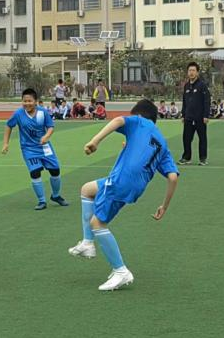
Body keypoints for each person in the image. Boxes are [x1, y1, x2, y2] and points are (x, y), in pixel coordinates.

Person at [68, 99, 179, 291]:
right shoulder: (162, 142)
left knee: (97, 223)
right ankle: (87, 243)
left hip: (122, 181)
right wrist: (164, 206)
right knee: (87, 190)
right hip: (134, 186)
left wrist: (95, 141)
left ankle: (120, 271)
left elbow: (118, 120)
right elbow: (172, 177)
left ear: (139, 115)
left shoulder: (139, 121)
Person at [2, 88, 69, 210]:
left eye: (30, 101)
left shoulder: (43, 112)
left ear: (36, 101)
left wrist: (47, 136)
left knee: (55, 170)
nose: (27, 103)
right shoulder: (18, 114)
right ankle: (42, 201)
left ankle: (56, 195)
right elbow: (8, 125)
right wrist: (5, 143)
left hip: (45, 147)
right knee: (35, 172)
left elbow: (50, 127)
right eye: (24, 101)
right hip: (29, 149)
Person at [179, 62, 210, 166]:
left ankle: (203, 159)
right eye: (189, 70)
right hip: (188, 117)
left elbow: (207, 101)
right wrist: (183, 115)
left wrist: (206, 115)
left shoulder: (202, 85)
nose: (191, 72)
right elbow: (185, 101)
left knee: (202, 139)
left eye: (193, 70)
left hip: (200, 118)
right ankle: (186, 157)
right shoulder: (186, 86)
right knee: (186, 138)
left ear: (197, 72)